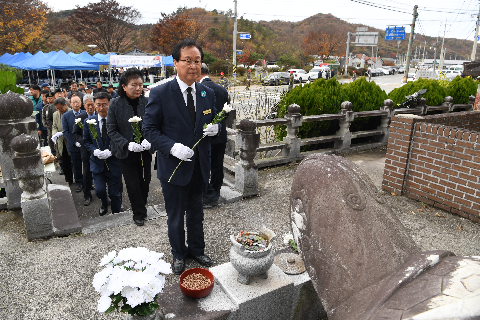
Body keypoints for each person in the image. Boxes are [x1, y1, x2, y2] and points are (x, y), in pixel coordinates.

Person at [143, 39, 219, 275]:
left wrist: (215, 130)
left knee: (197, 212)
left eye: (197, 61)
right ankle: (178, 253)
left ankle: (197, 248)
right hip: (173, 166)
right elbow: (149, 129)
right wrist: (172, 147)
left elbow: (211, 120)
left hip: (199, 165)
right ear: (175, 62)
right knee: (175, 216)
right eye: (188, 61)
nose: (193, 66)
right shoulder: (160, 92)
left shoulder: (207, 92)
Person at [107, 68, 152, 226]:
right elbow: (111, 130)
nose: (138, 88)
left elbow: (153, 124)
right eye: (134, 85)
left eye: (140, 84)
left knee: (145, 182)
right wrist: (127, 144)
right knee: (132, 183)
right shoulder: (115, 104)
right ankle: (139, 213)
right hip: (125, 152)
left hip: (145, 151)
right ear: (124, 86)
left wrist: (149, 140)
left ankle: (141, 206)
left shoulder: (147, 102)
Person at [83, 92, 122, 216]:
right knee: (99, 190)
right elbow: (86, 141)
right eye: (98, 105)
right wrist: (94, 150)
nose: (101, 108)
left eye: (104, 104)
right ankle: (104, 203)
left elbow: (121, 139)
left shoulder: (117, 120)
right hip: (97, 162)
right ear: (94, 105)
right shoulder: (89, 122)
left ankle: (116, 213)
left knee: (115, 193)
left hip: (114, 162)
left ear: (110, 104)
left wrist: (111, 151)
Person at [196, 63, 230, 207]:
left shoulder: (201, 89)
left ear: (199, 74)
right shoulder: (222, 89)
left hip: (205, 135)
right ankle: (215, 193)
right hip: (220, 133)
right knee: (217, 165)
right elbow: (227, 111)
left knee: (203, 166)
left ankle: (206, 195)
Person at [73, 94, 96, 206]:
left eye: (92, 105)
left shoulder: (100, 115)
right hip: (86, 150)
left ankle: (104, 193)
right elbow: (75, 133)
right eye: (88, 105)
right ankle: (87, 195)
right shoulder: (81, 117)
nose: (90, 107)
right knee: (87, 172)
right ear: (84, 105)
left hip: (99, 149)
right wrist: (83, 141)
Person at [62, 94, 85, 193]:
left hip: (85, 144)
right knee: (76, 165)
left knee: (88, 164)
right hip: (74, 145)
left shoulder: (85, 113)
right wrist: (75, 142)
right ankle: (79, 182)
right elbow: (65, 131)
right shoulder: (66, 115)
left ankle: (89, 181)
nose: (76, 104)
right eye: (73, 102)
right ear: (70, 104)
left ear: (81, 103)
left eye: (78, 102)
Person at [51, 97, 73, 184]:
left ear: (65, 105)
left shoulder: (71, 112)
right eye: (57, 108)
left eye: (60, 108)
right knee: (65, 161)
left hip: (70, 140)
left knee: (74, 162)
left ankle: (79, 180)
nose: (59, 110)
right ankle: (69, 179)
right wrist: (55, 134)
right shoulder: (55, 114)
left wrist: (63, 132)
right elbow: (54, 126)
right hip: (61, 141)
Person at [42, 91, 58, 158]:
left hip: (57, 127)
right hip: (49, 129)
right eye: (48, 98)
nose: (49, 100)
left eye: (51, 98)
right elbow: (44, 118)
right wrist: (46, 125)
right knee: (50, 143)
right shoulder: (45, 108)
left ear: (54, 98)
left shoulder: (57, 106)